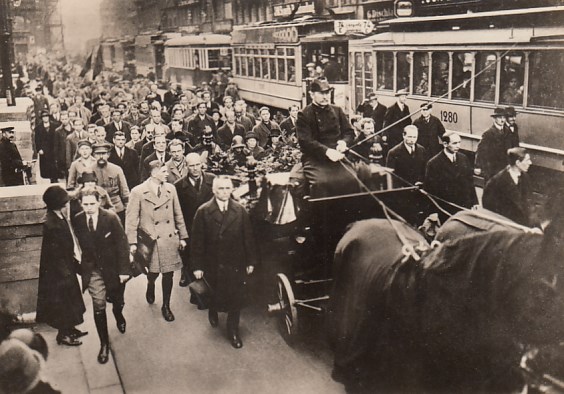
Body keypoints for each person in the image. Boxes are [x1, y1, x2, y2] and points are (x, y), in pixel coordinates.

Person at [191, 176, 257, 349]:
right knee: (214, 293)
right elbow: (197, 242)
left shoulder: (240, 210)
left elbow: (248, 238)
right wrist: (197, 266)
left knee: (236, 299)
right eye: (221, 189)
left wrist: (251, 261)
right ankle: (212, 311)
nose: (225, 192)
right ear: (213, 190)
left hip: (235, 263)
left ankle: (233, 330)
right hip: (212, 263)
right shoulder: (203, 211)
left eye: (228, 188)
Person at [73, 187, 131, 364]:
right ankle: (104, 344)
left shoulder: (111, 218)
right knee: (99, 304)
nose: (89, 207)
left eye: (92, 203)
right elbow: (77, 244)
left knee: (117, 299)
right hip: (93, 270)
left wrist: (124, 271)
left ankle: (118, 313)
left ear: (99, 202)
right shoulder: (78, 220)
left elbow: (122, 245)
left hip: (113, 269)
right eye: (85, 204)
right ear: (81, 204)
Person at [126, 160, 188, 322]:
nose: (167, 173)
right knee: (153, 272)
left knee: (168, 274)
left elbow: (178, 214)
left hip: (168, 239)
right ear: (153, 173)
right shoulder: (138, 192)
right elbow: (131, 219)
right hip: (151, 241)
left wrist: (183, 236)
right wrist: (132, 242)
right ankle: (150, 283)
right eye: (163, 171)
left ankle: (166, 305)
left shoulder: (171, 189)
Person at [36, 185, 86, 347]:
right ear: (56, 203)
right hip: (58, 271)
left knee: (70, 300)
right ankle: (63, 334)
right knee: (63, 303)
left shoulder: (57, 216)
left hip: (65, 265)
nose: (66, 203)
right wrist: (65, 273)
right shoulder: (51, 223)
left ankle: (70, 328)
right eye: (63, 201)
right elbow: (55, 254)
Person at [296, 78, 358, 198]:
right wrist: (327, 151)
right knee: (321, 183)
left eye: (327, 93)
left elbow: (349, 132)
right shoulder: (304, 114)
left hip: (338, 156)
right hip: (315, 158)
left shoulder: (337, 110)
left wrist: (344, 143)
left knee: (353, 179)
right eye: (321, 93)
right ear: (312, 94)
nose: (325, 97)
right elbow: (305, 141)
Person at [174, 153, 215, 287]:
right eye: (192, 166)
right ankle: (187, 274)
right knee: (189, 251)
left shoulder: (212, 179)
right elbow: (177, 210)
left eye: (198, 165)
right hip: (189, 224)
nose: (196, 168)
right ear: (186, 166)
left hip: (210, 224)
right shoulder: (179, 186)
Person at [482, 148, 539, 228]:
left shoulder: (525, 177)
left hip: (523, 227)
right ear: (518, 163)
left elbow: (530, 205)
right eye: (527, 160)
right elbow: (489, 210)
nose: (530, 163)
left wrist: (537, 227)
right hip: (506, 228)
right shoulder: (496, 182)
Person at [424, 131, 478, 212]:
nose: (458, 146)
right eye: (454, 143)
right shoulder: (433, 163)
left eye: (459, 142)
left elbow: (470, 182)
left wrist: (474, 202)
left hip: (464, 206)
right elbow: (430, 190)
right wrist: (433, 212)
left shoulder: (464, 158)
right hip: (446, 208)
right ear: (445, 144)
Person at [91, 143, 130, 224]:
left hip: (116, 207)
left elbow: (124, 191)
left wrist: (127, 208)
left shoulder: (116, 169)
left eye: (103, 153)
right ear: (94, 155)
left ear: (108, 155)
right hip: (97, 207)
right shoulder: (89, 170)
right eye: (98, 154)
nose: (101, 157)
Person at [475, 107, 509, 181]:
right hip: (492, 167)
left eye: (504, 117)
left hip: (504, 166)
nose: (502, 120)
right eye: (500, 117)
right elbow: (481, 150)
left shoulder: (507, 131)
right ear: (494, 119)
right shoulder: (488, 133)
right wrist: (477, 166)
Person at [35, 110, 60, 183]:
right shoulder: (38, 128)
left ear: (49, 117)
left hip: (53, 149)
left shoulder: (55, 126)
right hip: (44, 151)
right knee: (46, 166)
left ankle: (54, 179)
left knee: (54, 165)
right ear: (41, 118)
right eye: (43, 117)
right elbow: (37, 140)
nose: (45, 118)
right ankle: (49, 178)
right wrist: (39, 149)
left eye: (46, 116)